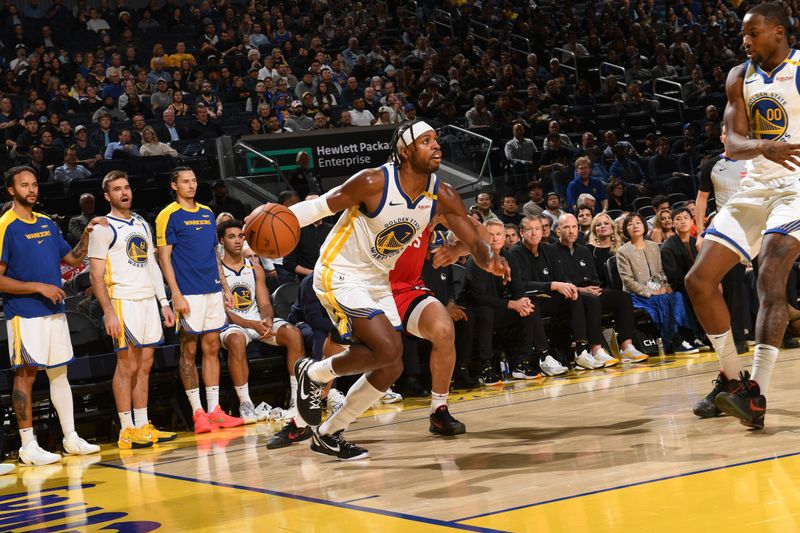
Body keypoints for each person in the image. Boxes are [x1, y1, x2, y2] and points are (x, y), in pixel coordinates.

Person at [248, 121, 508, 460]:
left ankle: (328, 432)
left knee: (391, 365)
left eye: (436, 140)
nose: (436, 146)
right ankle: (312, 373)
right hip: (339, 272)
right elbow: (319, 207)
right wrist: (265, 227)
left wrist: (491, 259)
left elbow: (475, 238)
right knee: (385, 347)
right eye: (426, 141)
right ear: (404, 151)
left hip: (377, 279)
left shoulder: (441, 194)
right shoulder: (373, 181)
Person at [686, 4, 800, 429]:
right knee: (699, 280)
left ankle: (759, 393)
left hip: (798, 188)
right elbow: (733, 142)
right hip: (756, 185)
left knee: (770, 274)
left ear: (777, 32)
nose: (745, 41)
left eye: (752, 33)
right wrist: (762, 147)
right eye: (743, 35)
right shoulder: (740, 76)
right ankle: (734, 382)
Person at [0, 165, 102, 465]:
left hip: (54, 312)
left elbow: (72, 258)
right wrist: (39, 288)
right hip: (24, 313)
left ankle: (71, 437)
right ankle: (27, 445)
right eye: (24, 185)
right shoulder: (5, 225)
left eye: (34, 184)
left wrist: (86, 236)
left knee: (60, 373)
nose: (31, 189)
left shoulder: (46, 222)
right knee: (26, 375)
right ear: (11, 190)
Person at [87, 171, 177, 449]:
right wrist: (108, 312)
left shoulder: (140, 222)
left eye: (126, 187)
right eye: (117, 189)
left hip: (148, 301)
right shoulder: (102, 228)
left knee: (146, 365)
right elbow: (95, 276)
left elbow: (151, 265)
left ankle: (142, 424)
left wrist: (164, 302)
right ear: (107, 196)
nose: (124, 193)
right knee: (127, 365)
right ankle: (126, 429)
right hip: (123, 301)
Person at [156, 167, 244, 433]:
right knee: (189, 350)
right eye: (185, 181)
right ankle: (197, 412)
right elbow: (164, 258)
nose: (191, 185)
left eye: (194, 180)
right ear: (174, 186)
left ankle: (215, 410)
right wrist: (175, 293)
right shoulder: (167, 215)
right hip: (188, 293)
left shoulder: (207, 213)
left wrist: (225, 286)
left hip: (213, 290)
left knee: (212, 348)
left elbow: (214, 253)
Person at [218, 219, 305, 423]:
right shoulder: (218, 272)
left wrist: (266, 319)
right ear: (222, 241)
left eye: (240, 236)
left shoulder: (254, 268)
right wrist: (251, 325)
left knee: (294, 334)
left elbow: (265, 302)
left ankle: (295, 398)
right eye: (232, 237)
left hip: (257, 322)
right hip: (232, 324)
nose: (238, 241)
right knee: (237, 340)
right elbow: (225, 312)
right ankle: (245, 403)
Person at [617, 213, 701, 355]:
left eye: (638, 222)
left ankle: (692, 336)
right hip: (636, 295)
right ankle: (676, 342)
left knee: (677, 297)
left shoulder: (654, 247)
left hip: (656, 290)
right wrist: (650, 292)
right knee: (661, 302)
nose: (635, 226)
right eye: (630, 224)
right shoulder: (623, 251)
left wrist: (663, 287)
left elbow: (661, 271)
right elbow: (628, 280)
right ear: (626, 229)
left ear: (644, 225)